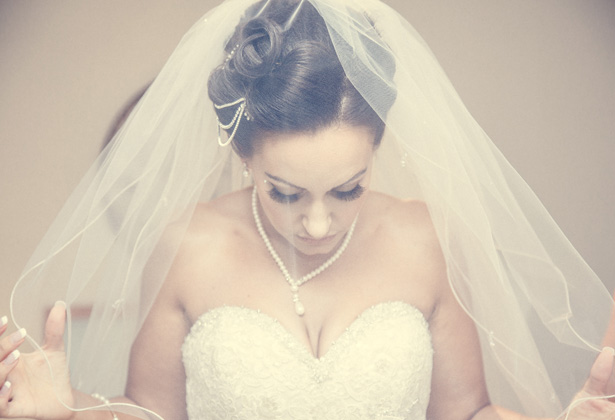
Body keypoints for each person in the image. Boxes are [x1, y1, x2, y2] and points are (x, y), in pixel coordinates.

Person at [1, 0, 614, 419]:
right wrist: (72, 409)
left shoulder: (425, 238)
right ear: (243, 156)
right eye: (285, 193)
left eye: (348, 189)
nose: (317, 225)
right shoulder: (187, 246)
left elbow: (467, 414)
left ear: (377, 148)